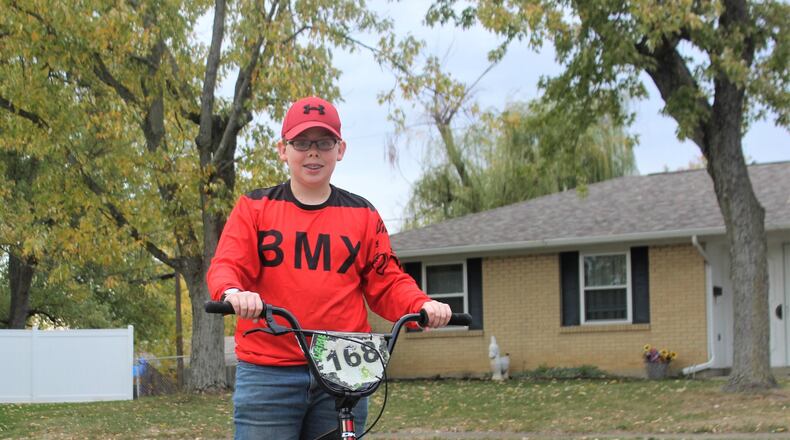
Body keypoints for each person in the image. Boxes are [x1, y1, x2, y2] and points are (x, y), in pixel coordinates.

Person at [206, 96, 452, 439]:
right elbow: (228, 263)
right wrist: (234, 293)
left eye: (324, 142)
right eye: (301, 142)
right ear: (283, 150)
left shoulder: (362, 215)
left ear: (340, 149)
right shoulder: (255, 207)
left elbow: (387, 281)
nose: (313, 152)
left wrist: (421, 305)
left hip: (345, 364)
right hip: (269, 369)